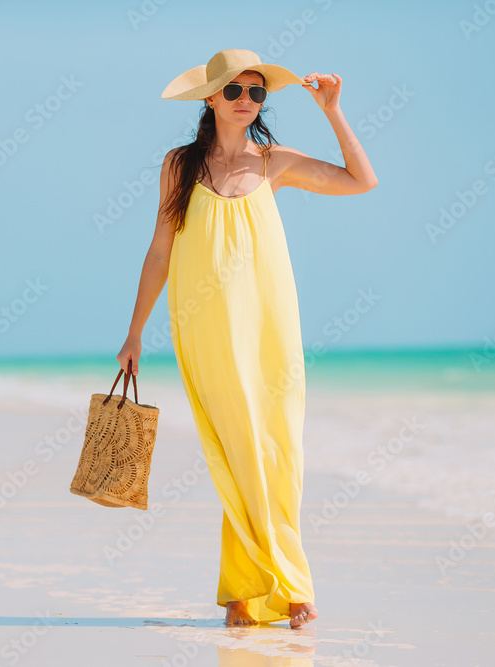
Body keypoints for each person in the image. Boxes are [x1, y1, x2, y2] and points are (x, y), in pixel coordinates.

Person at [116, 49, 377, 629]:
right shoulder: (179, 166)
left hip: (270, 328)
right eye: (234, 91)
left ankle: (245, 591)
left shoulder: (274, 163)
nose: (246, 101)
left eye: (257, 93)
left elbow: (363, 181)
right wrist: (134, 332)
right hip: (205, 327)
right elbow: (160, 250)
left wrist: (333, 112)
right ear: (210, 99)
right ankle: (291, 586)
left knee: (276, 448)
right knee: (235, 448)